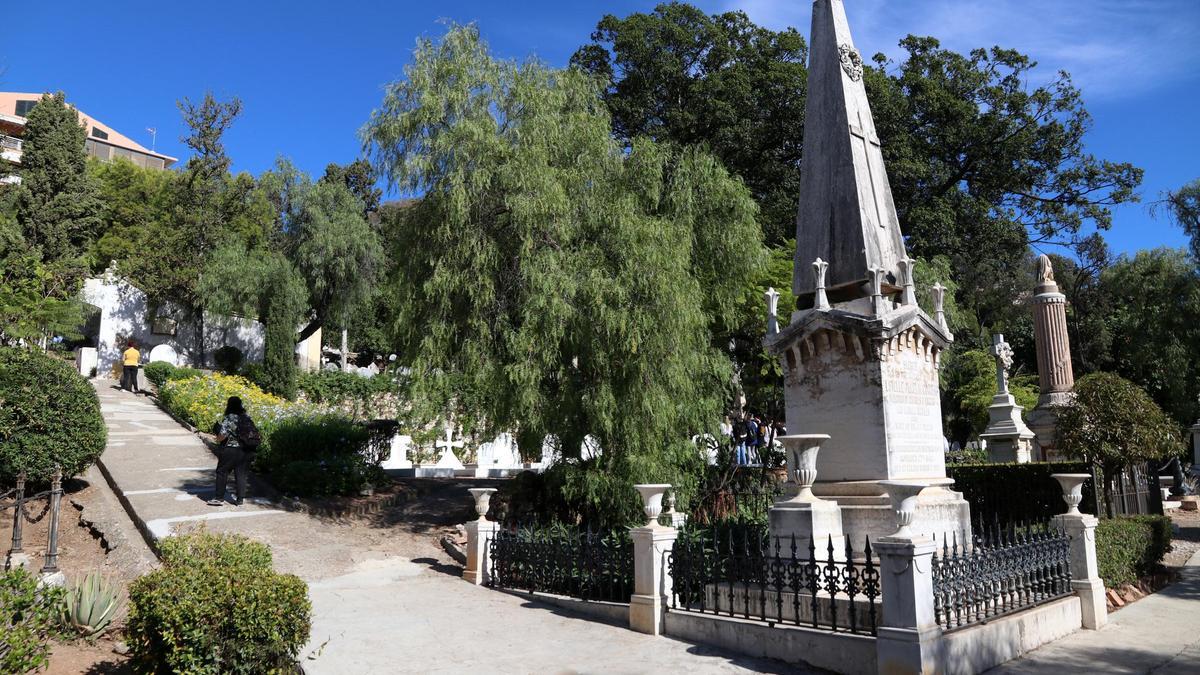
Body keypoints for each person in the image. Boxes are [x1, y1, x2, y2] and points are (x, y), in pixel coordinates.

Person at [208, 396, 260, 506]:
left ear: (229, 405)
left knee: (222, 471)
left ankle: (219, 498)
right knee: (241, 474)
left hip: (231, 449)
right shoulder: (246, 417)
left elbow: (222, 435)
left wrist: (217, 437)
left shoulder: (230, 417)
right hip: (246, 450)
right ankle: (240, 500)